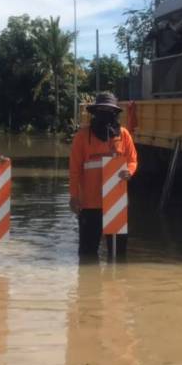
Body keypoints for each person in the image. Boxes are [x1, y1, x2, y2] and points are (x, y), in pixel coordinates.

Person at [68, 92, 138, 258]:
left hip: (116, 201)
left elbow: (133, 160)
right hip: (89, 204)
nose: (105, 115)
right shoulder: (82, 137)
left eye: (109, 111)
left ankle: (116, 277)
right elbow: (74, 169)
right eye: (101, 110)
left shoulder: (123, 135)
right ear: (95, 112)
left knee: (118, 255)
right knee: (87, 254)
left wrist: (129, 171)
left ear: (115, 113)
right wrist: (74, 196)